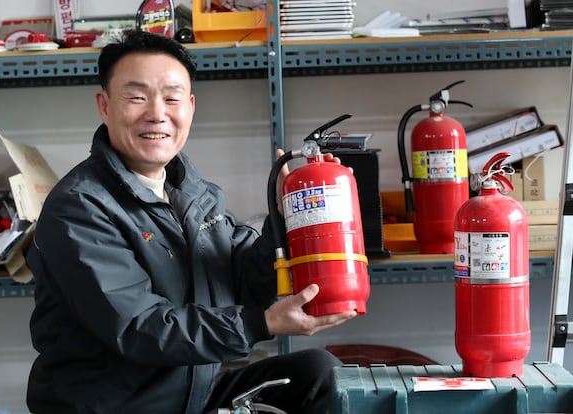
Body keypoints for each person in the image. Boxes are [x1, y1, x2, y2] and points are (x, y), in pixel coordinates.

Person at [26, 30, 357, 414]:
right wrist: (260, 324)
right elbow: (140, 328)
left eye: (172, 97)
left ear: (191, 106)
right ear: (104, 105)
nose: (157, 113)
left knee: (318, 373)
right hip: (117, 405)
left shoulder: (192, 191)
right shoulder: (79, 208)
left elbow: (243, 282)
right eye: (137, 97)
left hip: (192, 393)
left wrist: (285, 220)